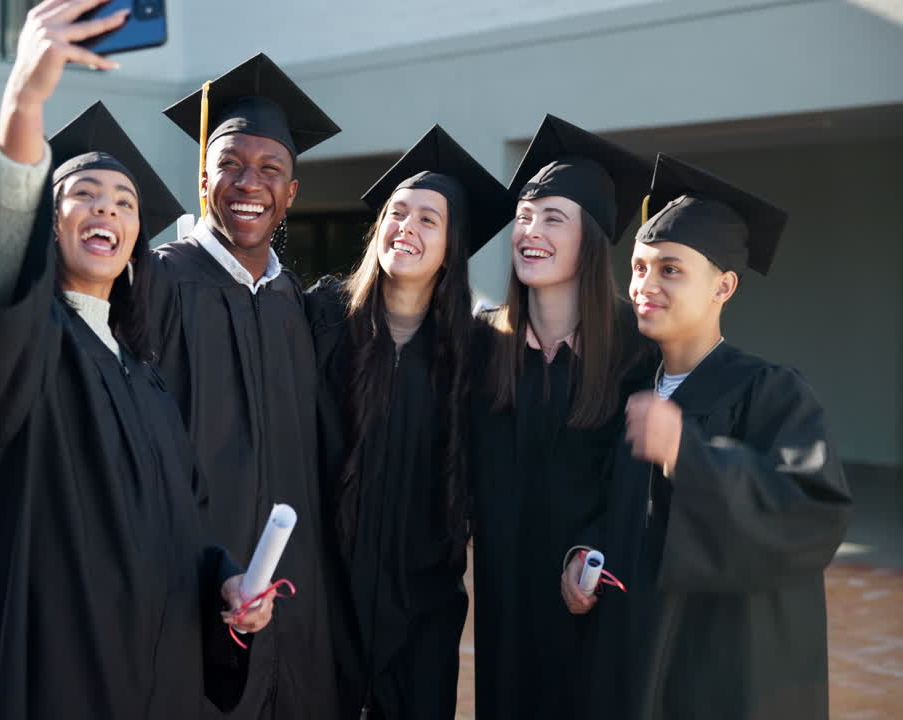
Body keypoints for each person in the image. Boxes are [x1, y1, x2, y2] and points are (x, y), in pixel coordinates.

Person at [0, 3, 274, 716]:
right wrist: (25, 102)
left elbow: (185, 527)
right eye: (82, 195)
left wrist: (226, 583)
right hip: (56, 678)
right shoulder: (33, 348)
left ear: (135, 246)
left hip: (155, 684)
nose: (108, 211)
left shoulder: (145, 379)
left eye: (125, 203)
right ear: (45, 220)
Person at [612, 153, 852, 720]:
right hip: (639, 661)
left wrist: (687, 456)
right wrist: (588, 555)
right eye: (639, 267)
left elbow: (815, 514)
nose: (646, 284)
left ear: (724, 286)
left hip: (723, 672)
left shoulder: (770, 391)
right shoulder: (635, 386)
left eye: (671, 269)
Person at [154, 53, 343, 717]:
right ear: (203, 175)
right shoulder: (159, 283)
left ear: (292, 192)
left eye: (271, 170)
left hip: (295, 606)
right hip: (186, 594)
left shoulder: (299, 303)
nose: (248, 183)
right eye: (230, 163)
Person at [306, 126, 512, 719]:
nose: (407, 227)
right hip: (327, 596)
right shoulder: (322, 320)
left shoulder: (476, 352)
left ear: (453, 244)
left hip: (424, 602)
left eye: (429, 219)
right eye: (397, 212)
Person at [468, 114, 654, 720]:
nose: (530, 230)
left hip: (590, 596)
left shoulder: (635, 350)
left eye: (553, 218)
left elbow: (642, 485)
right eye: (524, 217)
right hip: (506, 600)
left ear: (592, 238)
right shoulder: (483, 347)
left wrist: (595, 551)